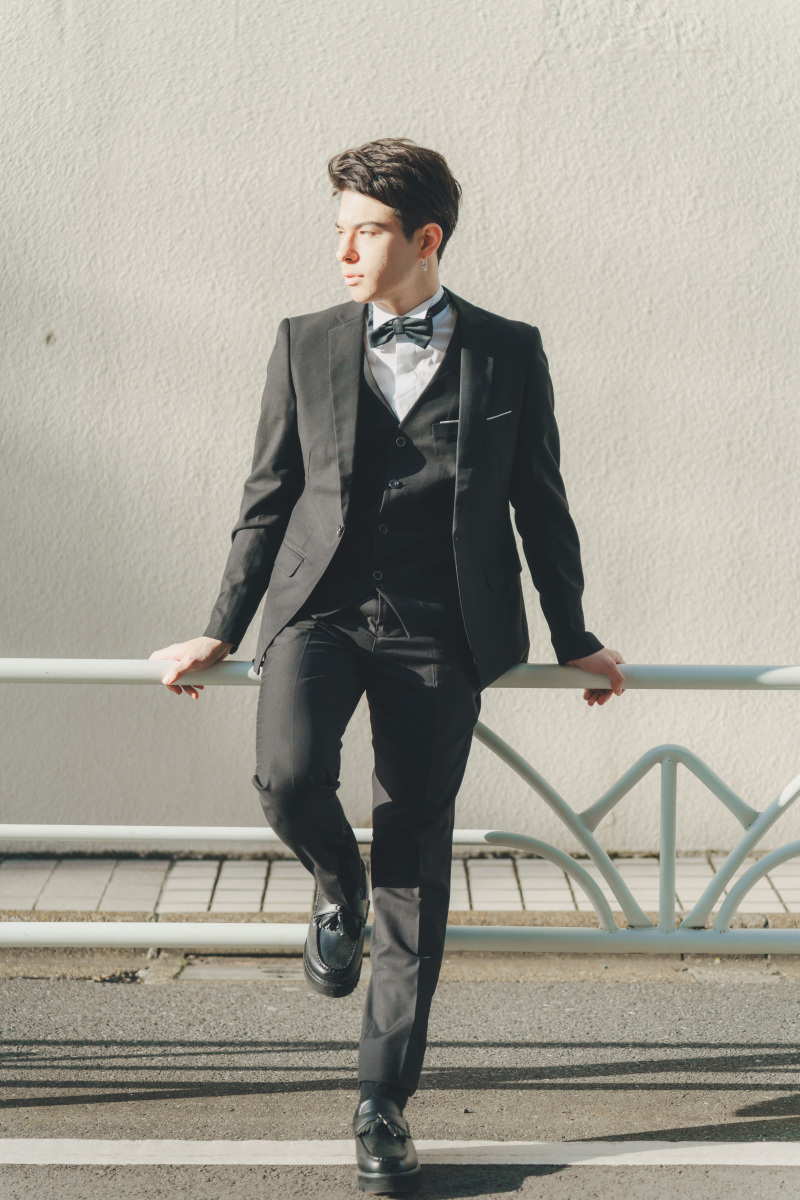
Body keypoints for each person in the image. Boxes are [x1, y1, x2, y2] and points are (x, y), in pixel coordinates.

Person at [150, 137, 625, 1194]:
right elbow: (267, 497)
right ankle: (335, 882)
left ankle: (382, 1104)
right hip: (318, 611)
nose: (343, 253)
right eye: (339, 232)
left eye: (364, 233)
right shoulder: (304, 340)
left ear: (426, 239)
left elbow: (539, 503)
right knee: (286, 777)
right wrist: (220, 628)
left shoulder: (507, 351)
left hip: (441, 629)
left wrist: (574, 634)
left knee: (416, 853)